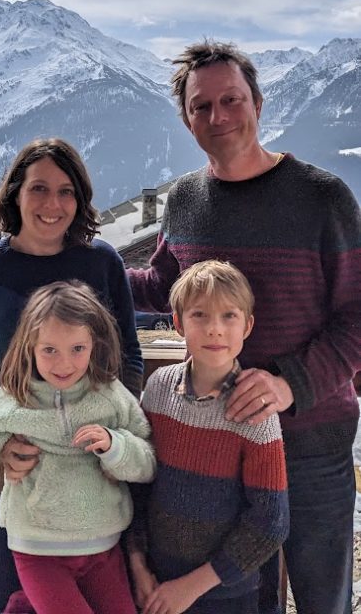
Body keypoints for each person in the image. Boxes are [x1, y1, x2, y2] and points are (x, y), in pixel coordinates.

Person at [128, 41, 361, 614]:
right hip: (218, 449)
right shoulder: (185, 199)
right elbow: (165, 287)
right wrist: (75, 265)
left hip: (310, 442)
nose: (219, 117)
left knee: (322, 599)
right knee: (243, 600)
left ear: (257, 102)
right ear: (187, 120)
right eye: (201, 107)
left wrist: (288, 384)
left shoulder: (322, 197)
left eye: (231, 99)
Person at [0, 137, 143, 614]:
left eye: (67, 191)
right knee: (10, 602)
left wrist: (111, 426)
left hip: (89, 482)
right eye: (39, 188)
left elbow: (128, 357)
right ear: (15, 194)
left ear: (81, 198)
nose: (53, 204)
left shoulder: (101, 262)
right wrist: (1, 439)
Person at [0, 281, 155, 614]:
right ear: (30, 346)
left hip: (104, 547)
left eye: (77, 349)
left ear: (94, 344)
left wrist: (117, 447)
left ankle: (22, 607)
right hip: (38, 550)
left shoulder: (110, 396)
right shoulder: (13, 399)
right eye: (49, 350)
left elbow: (147, 460)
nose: (64, 363)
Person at [129, 260, 289, 614]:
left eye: (228, 316)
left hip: (228, 595)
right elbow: (138, 487)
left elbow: (270, 524)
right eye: (199, 315)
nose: (214, 329)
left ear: (247, 325)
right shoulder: (157, 390)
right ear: (178, 322)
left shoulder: (255, 412)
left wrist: (191, 587)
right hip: (155, 584)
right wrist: (137, 564)